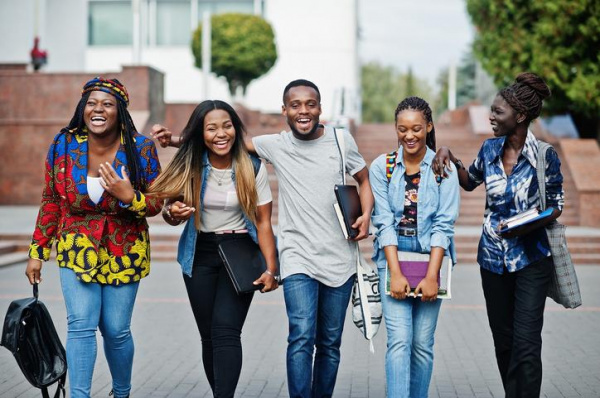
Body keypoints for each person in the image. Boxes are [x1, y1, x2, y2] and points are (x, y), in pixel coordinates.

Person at [152, 79, 374, 398]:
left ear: (321, 108)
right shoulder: (275, 144)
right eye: (295, 105)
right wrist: (174, 140)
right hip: (295, 256)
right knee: (299, 336)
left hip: (339, 256)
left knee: (329, 342)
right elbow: (216, 141)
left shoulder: (341, 141)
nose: (303, 111)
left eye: (310, 104)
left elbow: (363, 180)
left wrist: (366, 214)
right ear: (283, 110)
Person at [25, 77, 162, 398]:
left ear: (120, 112)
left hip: (125, 249)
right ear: (82, 108)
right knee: (81, 326)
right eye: (92, 103)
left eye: (107, 104)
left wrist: (130, 196)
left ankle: (122, 392)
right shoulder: (63, 145)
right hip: (76, 247)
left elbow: (156, 202)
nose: (98, 109)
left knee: (115, 331)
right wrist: (38, 250)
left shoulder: (140, 148)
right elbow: (51, 200)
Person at [433, 72, 563, 398]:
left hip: (532, 258)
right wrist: (448, 153)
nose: (491, 116)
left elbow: (556, 207)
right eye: (491, 110)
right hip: (492, 260)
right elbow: (469, 181)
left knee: (527, 344)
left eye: (498, 112)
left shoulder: (544, 156)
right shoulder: (490, 149)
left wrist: (521, 224)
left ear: (519, 116)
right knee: (504, 341)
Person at [147, 100, 278, 398]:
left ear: (236, 129)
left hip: (240, 251)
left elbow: (264, 222)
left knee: (226, 332)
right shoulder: (190, 162)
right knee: (208, 337)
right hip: (200, 252)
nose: (221, 133)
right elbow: (168, 210)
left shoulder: (251, 165)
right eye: (212, 128)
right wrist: (173, 214)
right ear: (200, 133)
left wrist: (272, 269)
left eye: (227, 125)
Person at [369, 97, 460, 397]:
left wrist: (432, 276)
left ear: (429, 127)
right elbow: (383, 222)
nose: (409, 136)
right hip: (393, 256)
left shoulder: (442, 167)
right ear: (395, 129)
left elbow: (443, 225)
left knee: (422, 344)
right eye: (403, 129)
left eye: (417, 129)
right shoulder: (382, 167)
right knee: (399, 340)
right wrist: (395, 272)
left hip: (431, 256)